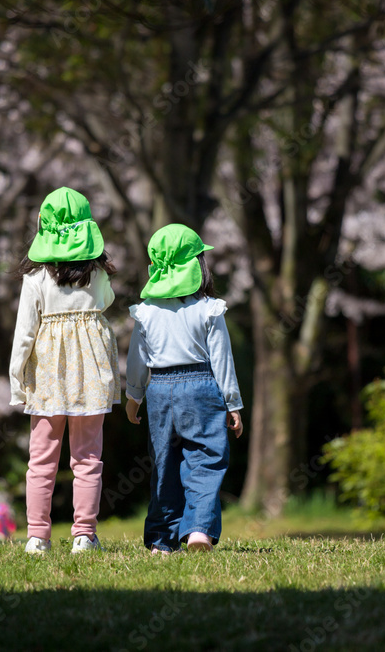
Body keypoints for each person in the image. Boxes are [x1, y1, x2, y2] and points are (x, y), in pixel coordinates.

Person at [9, 187, 120, 555]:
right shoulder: (99, 275)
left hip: (47, 380)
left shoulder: (35, 280)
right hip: (90, 376)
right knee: (88, 458)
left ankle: (37, 536)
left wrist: (16, 380)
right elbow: (106, 303)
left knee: (41, 460)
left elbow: (24, 335)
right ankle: (83, 536)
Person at [125, 224, 244, 554]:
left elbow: (137, 360)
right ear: (197, 266)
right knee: (206, 459)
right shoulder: (209, 308)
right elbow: (222, 360)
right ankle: (198, 531)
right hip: (202, 387)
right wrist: (232, 402)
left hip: (160, 390)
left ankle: (161, 542)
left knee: (164, 465)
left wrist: (134, 396)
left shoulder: (146, 311)